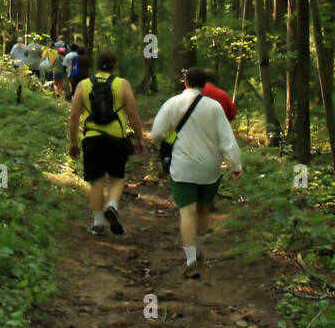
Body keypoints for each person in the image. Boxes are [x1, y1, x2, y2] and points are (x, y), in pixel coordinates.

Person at [151, 66, 242, 280]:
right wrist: (235, 164)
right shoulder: (214, 107)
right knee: (203, 210)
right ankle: (199, 249)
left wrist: (168, 140)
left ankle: (190, 259)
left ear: (185, 82)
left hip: (183, 167)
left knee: (187, 212)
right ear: (204, 85)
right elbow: (227, 139)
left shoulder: (172, 104)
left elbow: (156, 133)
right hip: (209, 168)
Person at [68, 48, 145, 237]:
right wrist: (140, 138)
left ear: (97, 65)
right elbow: (133, 114)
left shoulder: (84, 85)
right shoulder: (123, 84)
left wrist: (73, 142)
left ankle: (98, 223)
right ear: (114, 66)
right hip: (117, 138)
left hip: (92, 138)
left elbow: (74, 116)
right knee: (117, 178)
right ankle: (112, 205)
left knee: (97, 180)